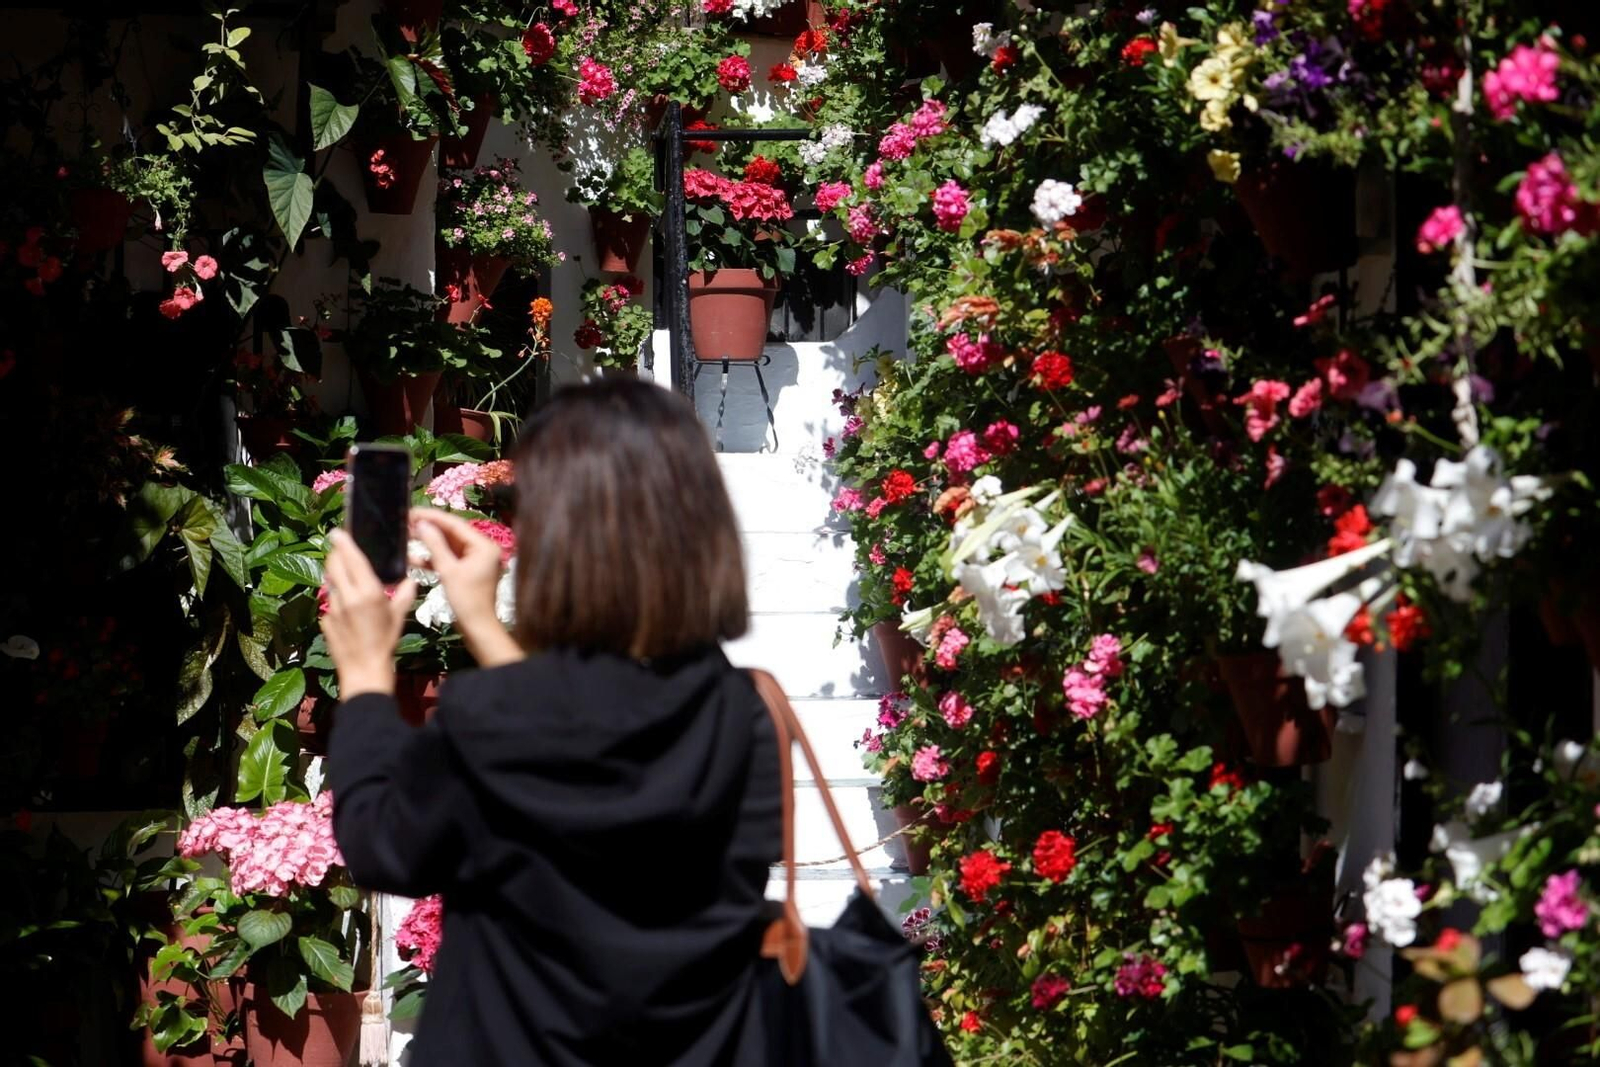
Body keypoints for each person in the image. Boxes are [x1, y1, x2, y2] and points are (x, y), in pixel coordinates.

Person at [321, 379, 781, 1066]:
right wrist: (478, 619)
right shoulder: (741, 713)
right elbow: (581, 741)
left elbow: (385, 845)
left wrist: (362, 678)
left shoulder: (498, 718)